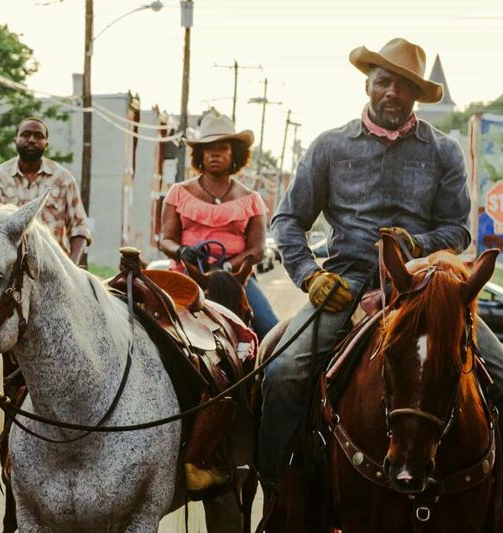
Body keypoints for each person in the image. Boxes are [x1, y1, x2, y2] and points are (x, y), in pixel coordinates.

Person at [262, 37, 503, 504]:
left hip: (425, 283)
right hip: (347, 280)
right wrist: (310, 275)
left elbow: (457, 229)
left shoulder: (444, 151)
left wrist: (417, 244)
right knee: (284, 373)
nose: (392, 92)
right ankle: (276, 492)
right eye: (384, 82)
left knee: (500, 370)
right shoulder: (330, 146)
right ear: (368, 84)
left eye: (404, 86)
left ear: (416, 96)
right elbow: (288, 220)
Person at [158, 110, 278, 339]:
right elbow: (166, 240)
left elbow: (258, 250)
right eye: (208, 148)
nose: (215, 153)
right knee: (152, 329)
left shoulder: (252, 199)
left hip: (236, 279)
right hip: (185, 274)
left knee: (272, 331)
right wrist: (182, 251)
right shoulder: (178, 192)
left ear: (235, 153)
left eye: (223, 148)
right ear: (200, 154)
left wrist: (226, 267)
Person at [0, 117, 92, 263]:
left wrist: (72, 267)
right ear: (15, 140)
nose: (31, 140)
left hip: (54, 265)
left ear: (46, 143)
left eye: (38, 136)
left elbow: (79, 227)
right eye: (25, 134)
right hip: (10, 265)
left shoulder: (63, 178)